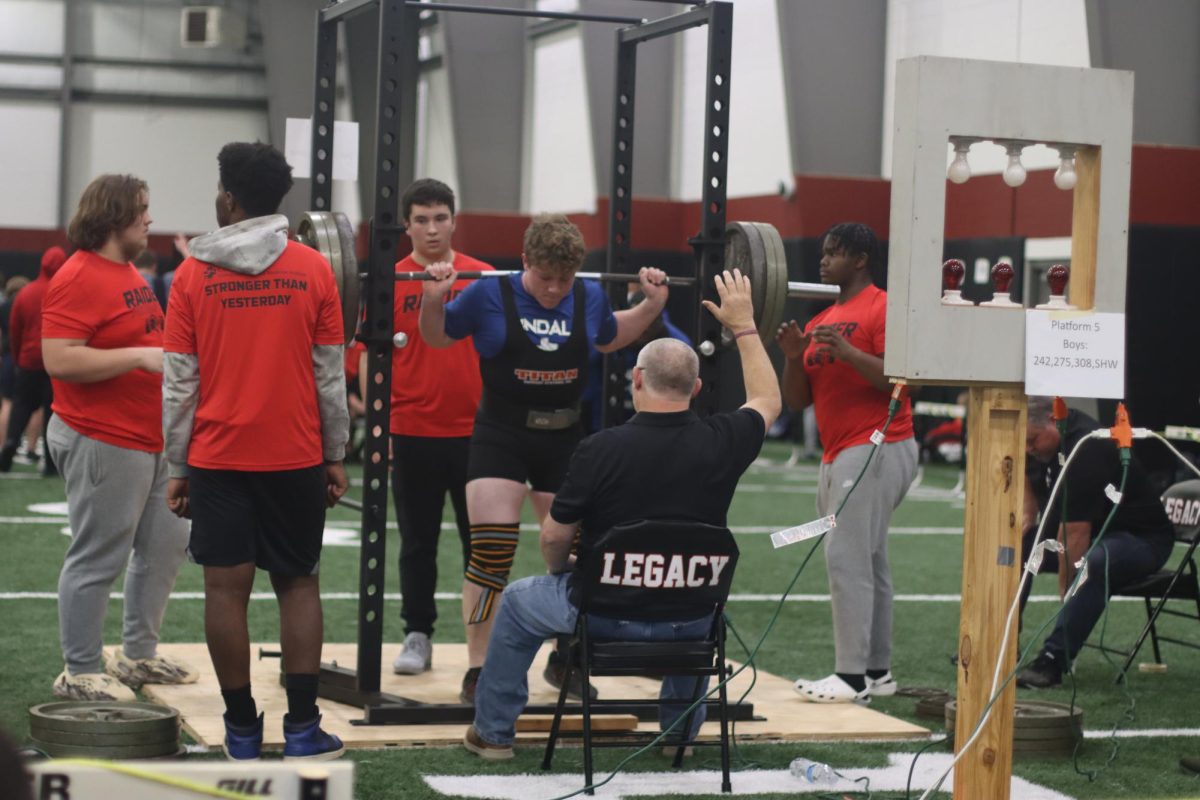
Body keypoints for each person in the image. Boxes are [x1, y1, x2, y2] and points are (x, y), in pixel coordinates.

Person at [462, 269, 779, 759]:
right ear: (696, 389)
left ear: (636, 379)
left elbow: (553, 537)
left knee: (522, 600)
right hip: (690, 616)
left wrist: (558, 571)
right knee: (701, 603)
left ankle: (493, 734)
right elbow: (767, 399)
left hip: (605, 612)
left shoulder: (597, 449)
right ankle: (677, 739)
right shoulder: (725, 441)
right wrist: (745, 326)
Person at [419, 213, 669, 703]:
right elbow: (438, 335)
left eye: (564, 279)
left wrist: (650, 304)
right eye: (545, 277)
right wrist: (432, 299)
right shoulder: (489, 294)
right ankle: (479, 668)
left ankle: (567, 658)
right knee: (490, 555)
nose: (554, 289)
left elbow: (609, 334)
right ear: (526, 260)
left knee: (575, 555)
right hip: (501, 435)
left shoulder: (589, 294)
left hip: (564, 438)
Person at [162, 142, 350, 761]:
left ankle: (241, 730)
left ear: (229, 198)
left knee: (224, 591)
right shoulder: (314, 270)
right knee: (299, 586)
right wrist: (334, 453)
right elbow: (329, 376)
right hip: (295, 454)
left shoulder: (191, 275)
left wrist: (179, 465)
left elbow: (180, 383)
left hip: (217, 459)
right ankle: (302, 728)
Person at [41, 174, 194, 702]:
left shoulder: (124, 269)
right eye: (142, 209)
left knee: (165, 548)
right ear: (113, 216)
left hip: (146, 437)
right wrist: (138, 357)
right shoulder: (79, 274)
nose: (150, 218)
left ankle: (137, 656)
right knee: (98, 555)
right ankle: (80, 668)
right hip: (103, 437)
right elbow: (57, 357)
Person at [776, 221, 917, 704]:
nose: (823, 260)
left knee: (844, 554)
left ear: (860, 259)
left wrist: (850, 351)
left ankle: (850, 677)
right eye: (823, 251)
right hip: (839, 451)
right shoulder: (819, 321)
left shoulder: (883, 306)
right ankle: (876, 672)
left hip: (879, 441)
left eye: (834, 252)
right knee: (869, 558)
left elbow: (903, 380)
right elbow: (796, 402)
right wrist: (795, 357)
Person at [385, 179, 493, 676]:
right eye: (422, 219)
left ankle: (486, 646)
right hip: (412, 430)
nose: (432, 228)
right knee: (417, 542)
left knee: (484, 546)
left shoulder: (486, 277)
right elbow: (371, 357)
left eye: (440, 218)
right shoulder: (389, 281)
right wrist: (381, 425)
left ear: (454, 219)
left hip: (478, 434)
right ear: (406, 225)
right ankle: (417, 634)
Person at [1015, 397, 1173, 688]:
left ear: (1053, 420)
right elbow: (1024, 465)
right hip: (1094, 534)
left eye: (1032, 440)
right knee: (1017, 547)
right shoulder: (1041, 440)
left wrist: (1067, 592)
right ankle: (1003, 642)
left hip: (1142, 540)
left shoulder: (1087, 448)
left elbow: (1074, 535)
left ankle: (1052, 660)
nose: (1028, 449)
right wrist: (1028, 509)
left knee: (1093, 564)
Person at [0, 247, 66, 475]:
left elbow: (14, 330)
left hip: (28, 360)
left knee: (21, 406)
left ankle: (10, 443)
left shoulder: (25, 293)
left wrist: (18, 358)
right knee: (51, 412)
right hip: (55, 362)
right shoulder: (65, 292)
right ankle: (50, 462)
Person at [0, 275, 30, 453]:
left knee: (7, 403)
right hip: (28, 359)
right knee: (34, 407)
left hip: (9, 357)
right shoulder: (29, 304)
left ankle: (3, 445)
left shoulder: (4, 307)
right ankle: (30, 447)